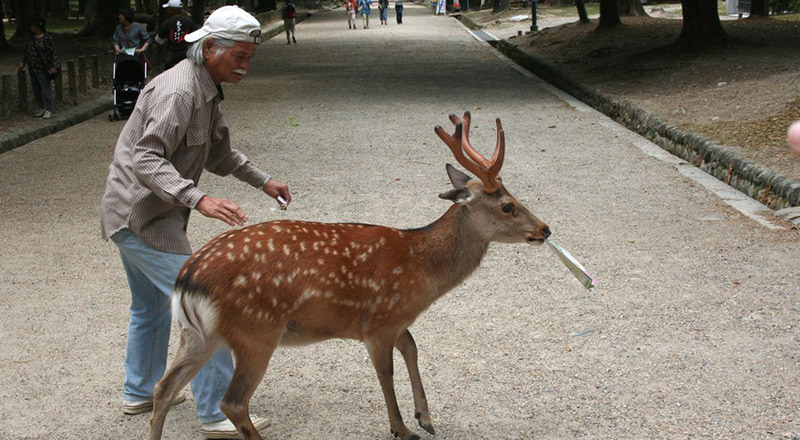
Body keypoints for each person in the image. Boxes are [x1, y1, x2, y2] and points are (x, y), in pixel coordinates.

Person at [100, 6, 291, 439]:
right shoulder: (181, 92)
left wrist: (265, 182)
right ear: (208, 49)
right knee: (210, 305)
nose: (245, 66)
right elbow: (145, 158)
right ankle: (216, 412)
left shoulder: (206, 88)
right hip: (142, 218)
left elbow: (221, 154)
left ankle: (140, 391)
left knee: (150, 307)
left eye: (249, 57)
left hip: (142, 214)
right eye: (238, 56)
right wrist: (198, 198)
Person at [18, 16, 59, 120]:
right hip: (33, 67)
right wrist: (23, 62)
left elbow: (53, 53)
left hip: (43, 67)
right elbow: (27, 51)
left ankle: (49, 109)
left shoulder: (47, 38)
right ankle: (41, 107)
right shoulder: (30, 38)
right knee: (36, 89)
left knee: (45, 88)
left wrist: (54, 66)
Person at [155, 0, 198, 70]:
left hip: (172, 54)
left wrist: (167, 39)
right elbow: (197, 36)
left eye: (168, 9)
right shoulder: (189, 21)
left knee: (171, 74)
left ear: (172, 10)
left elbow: (158, 40)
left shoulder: (167, 23)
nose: (167, 11)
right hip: (187, 53)